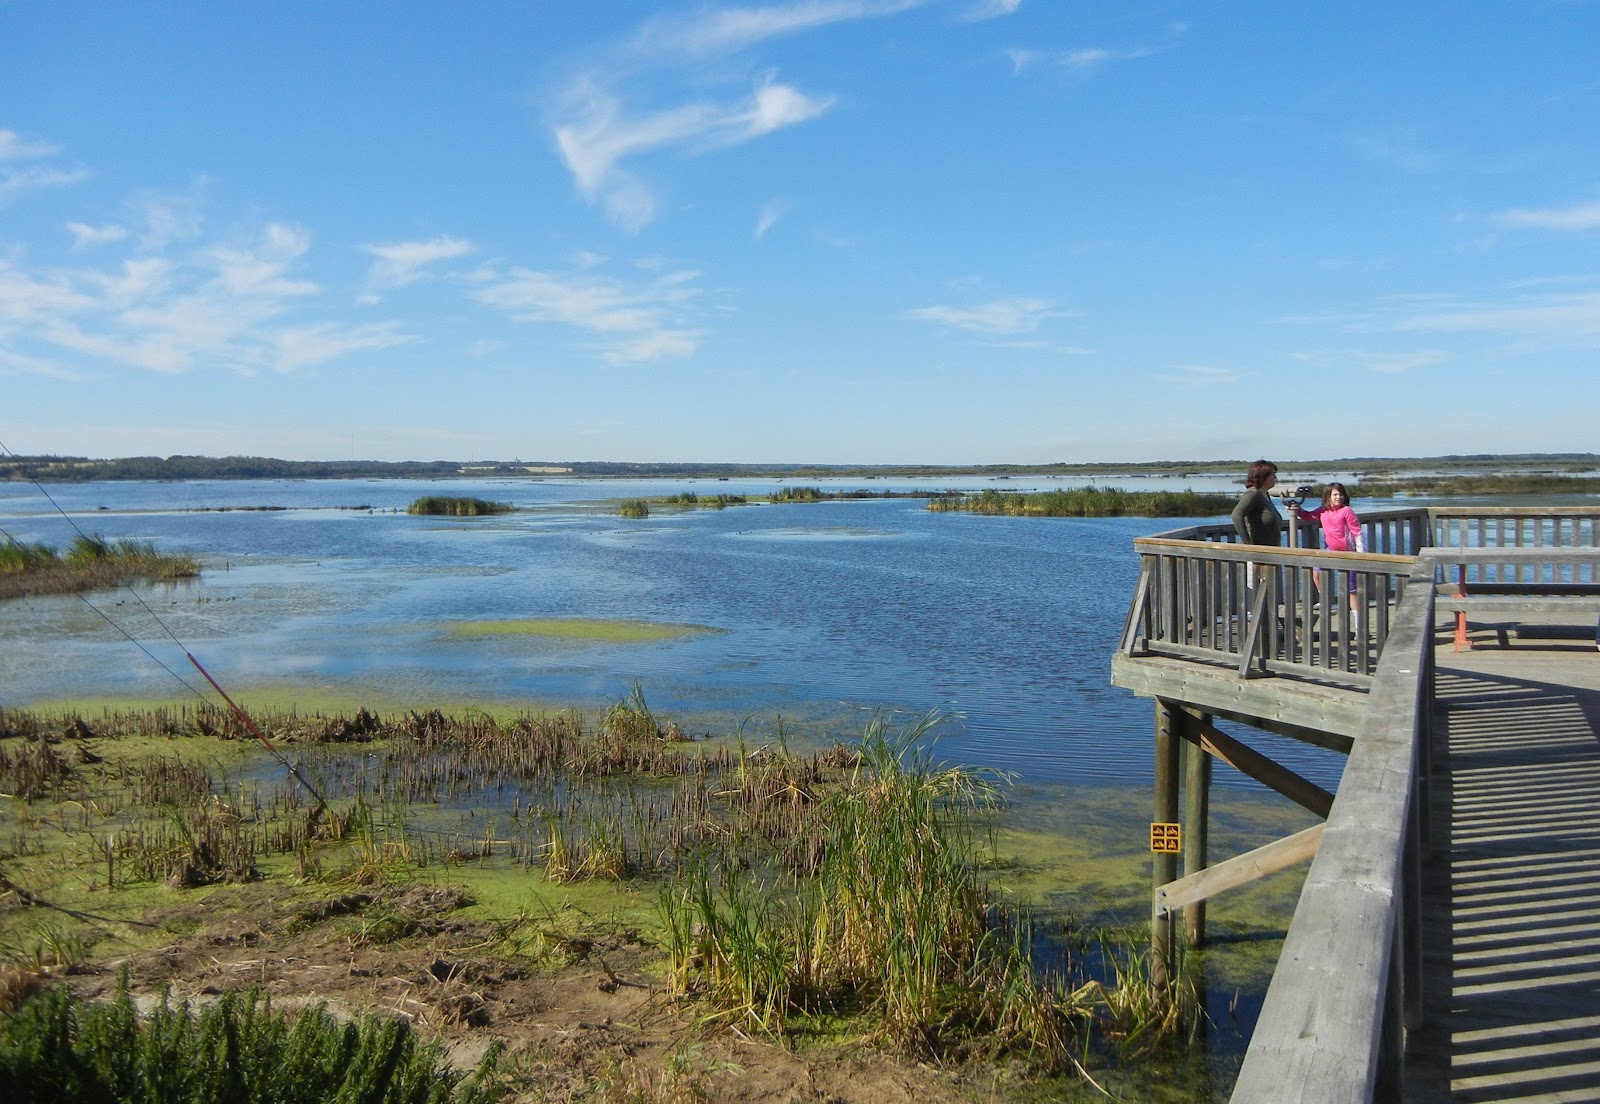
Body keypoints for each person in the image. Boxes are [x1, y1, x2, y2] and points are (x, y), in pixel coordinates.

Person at [1296, 482, 1365, 612]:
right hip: (1331, 550)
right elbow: (1308, 516)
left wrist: (1360, 552)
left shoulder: (1347, 511)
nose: (1338, 497)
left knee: (1351, 589)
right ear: (1328, 496)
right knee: (1316, 573)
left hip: (1349, 551)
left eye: (1340, 494)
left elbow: (1356, 531)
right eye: (1335, 494)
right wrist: (1295, 508)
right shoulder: (1323, 510)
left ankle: (1358, 621)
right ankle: (1325, 599)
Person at [1231, 460, 1283, 546]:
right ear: (1262, 476)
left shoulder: (1265, 494)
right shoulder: (1253, 493)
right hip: (1257, 554)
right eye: (1272, 474)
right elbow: (1236, 515)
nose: (1275, 477)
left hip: (1270, 552)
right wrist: (1247, 543)